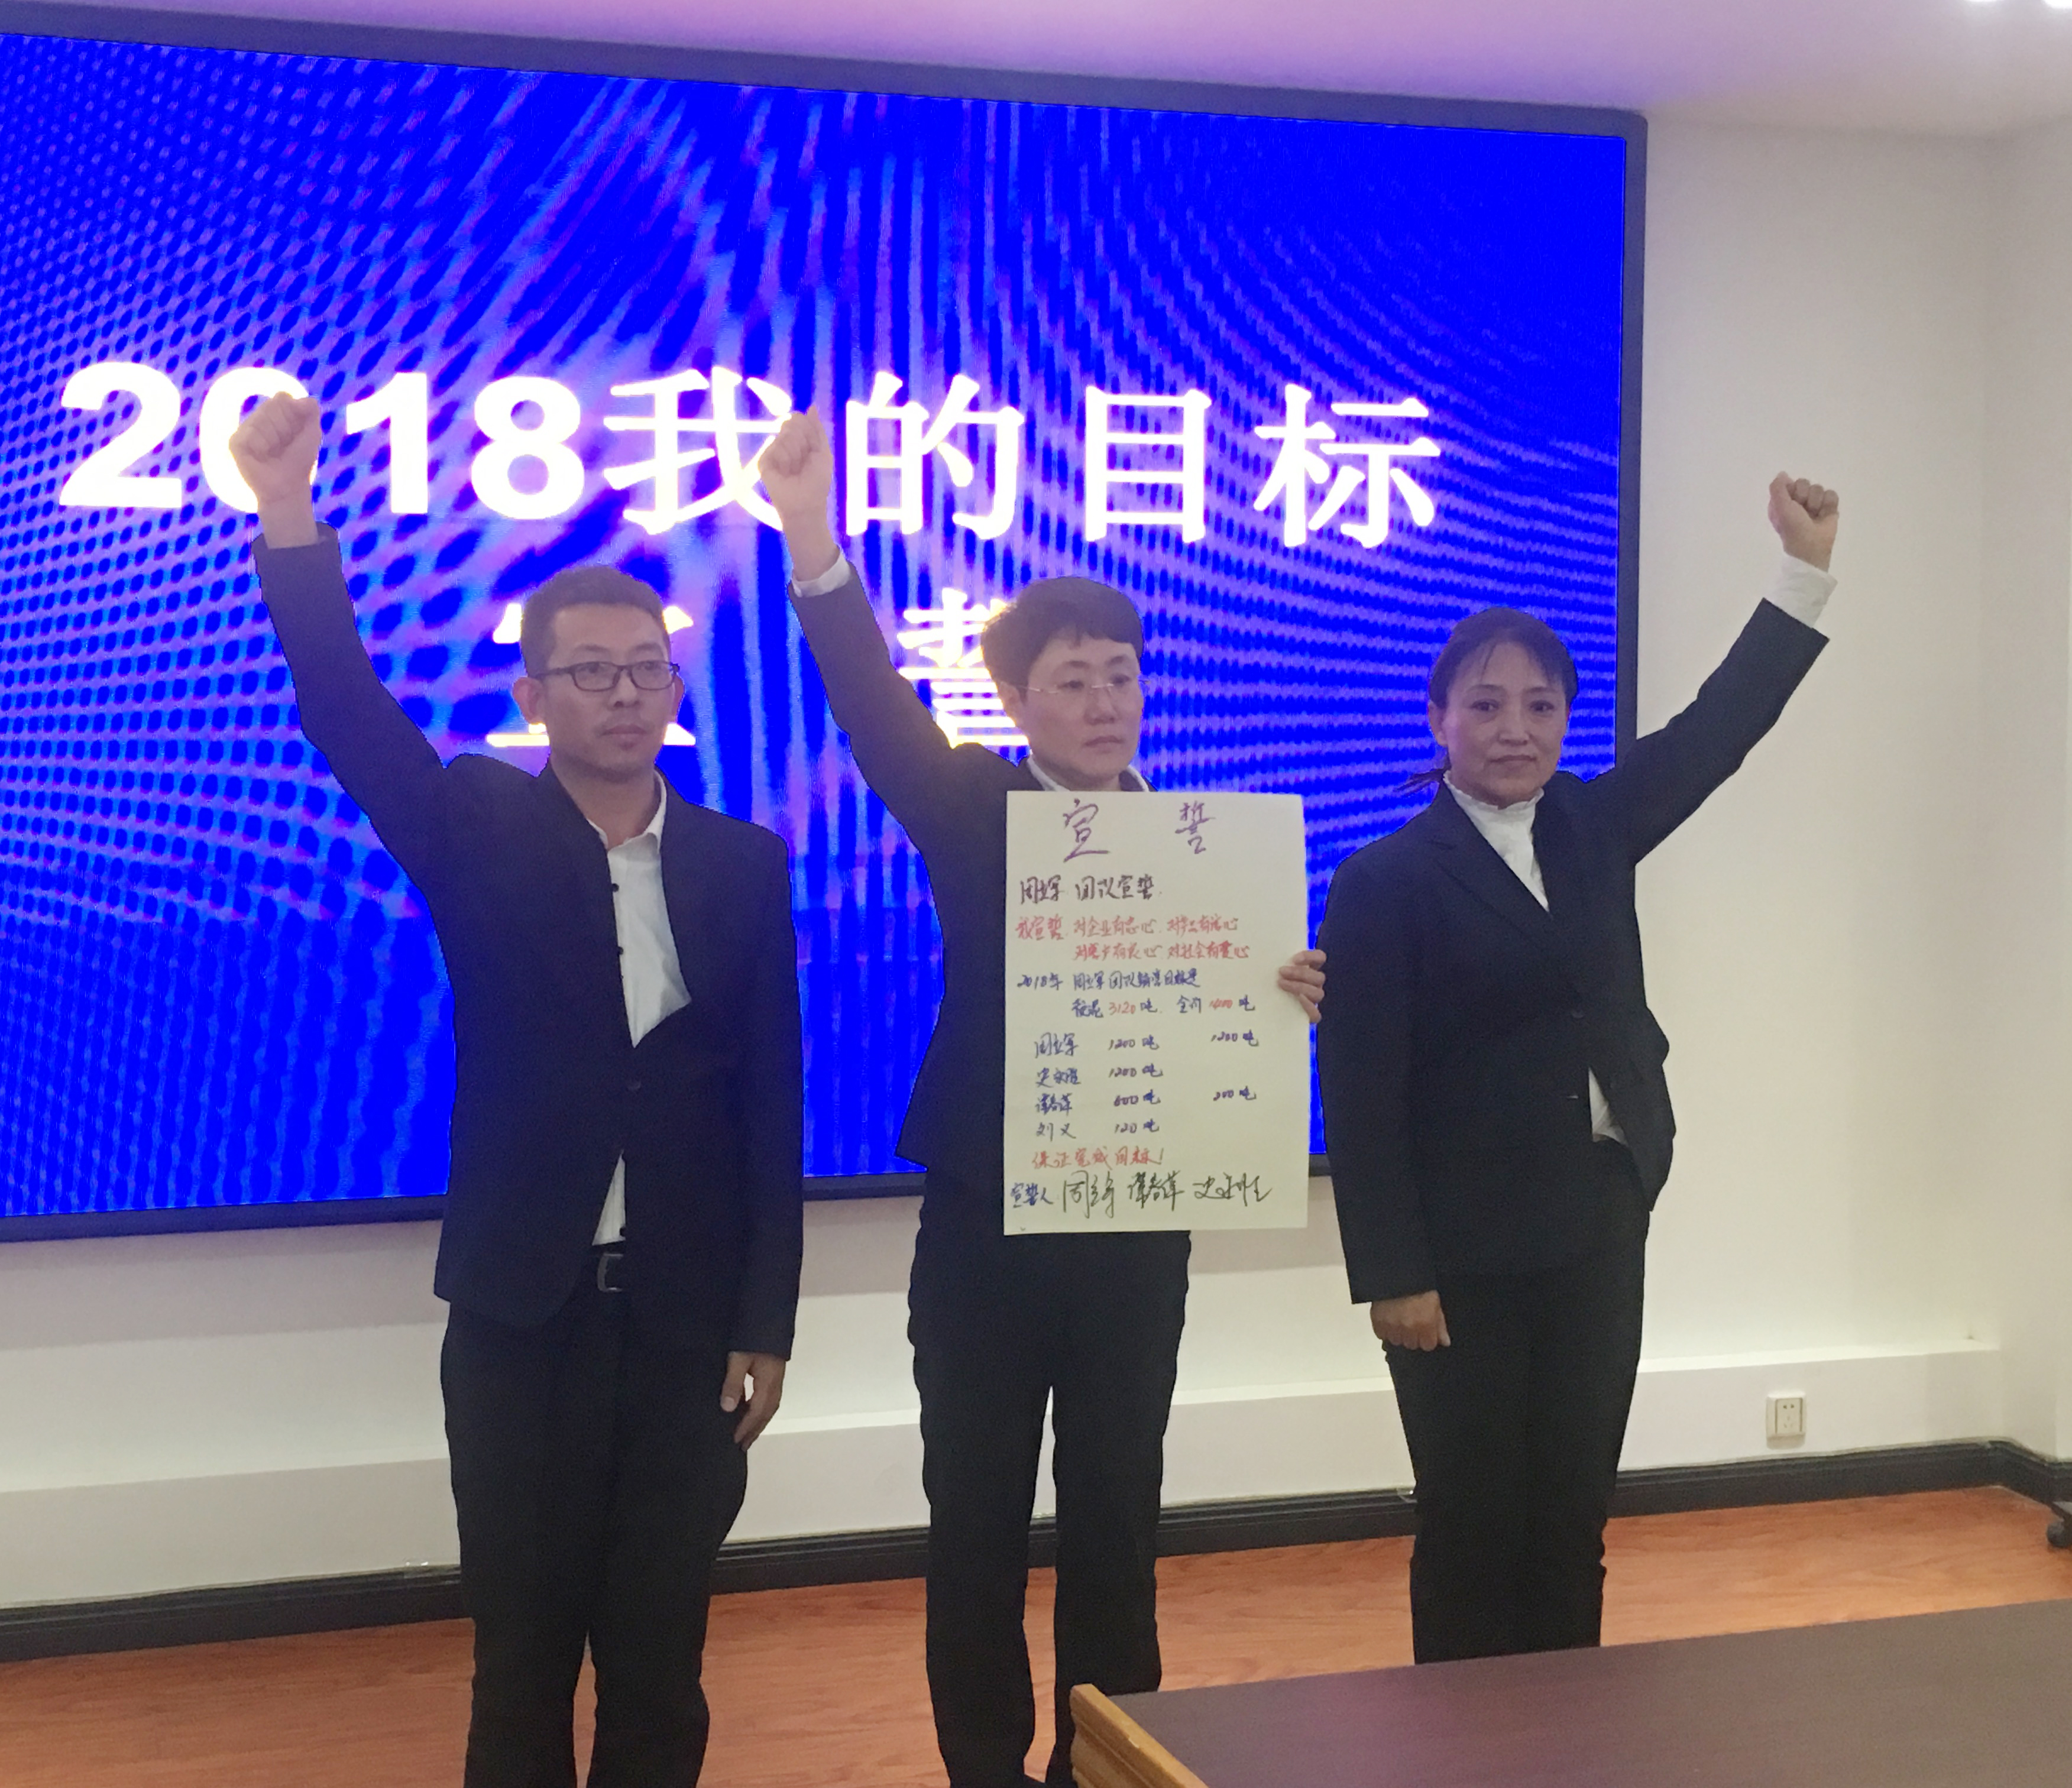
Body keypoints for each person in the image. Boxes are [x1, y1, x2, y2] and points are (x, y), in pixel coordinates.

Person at [230, 393, 804, 1788]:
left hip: (685, 1330)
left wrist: (766, 1323)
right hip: (520, 1318)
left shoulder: (741, 863)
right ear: (535, 695)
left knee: (661, 1662)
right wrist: (288, 513)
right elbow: (347, 712)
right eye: (589, 672)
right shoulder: (479, 824)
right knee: (523, 1661)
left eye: (647, 669)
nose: (625, 693)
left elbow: (771, 1106)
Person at [756, 410, 1325, 1786]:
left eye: (1122, 675)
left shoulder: (1207, 852)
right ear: (1015, 701)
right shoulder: (974, 809)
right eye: (1073, 680)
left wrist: (1288, 986)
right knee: (978, 1525)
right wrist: (814, 538)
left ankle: (1108, 1760)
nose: (1105, 700)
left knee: (1121, 1518)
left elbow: (1227, 1017)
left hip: (1137, 1234)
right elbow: (874, 709)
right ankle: (984, 1767)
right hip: (986, 1233)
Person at [1316, 474, 1841, 1664]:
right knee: (1471, 1522)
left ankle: (1564, 1736)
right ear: (1439, 717)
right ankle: (1464, 1738)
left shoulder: (1594, 829)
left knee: (1570, 1519)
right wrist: (1394, 1275)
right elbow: (1361, 1092)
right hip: (1461, 1255)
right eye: (1487, 704)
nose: (1516, 728)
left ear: (1566, 718)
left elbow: (1720, 728)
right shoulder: (1384, 879)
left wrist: (1801, 571)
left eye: (1541, 705)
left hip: (1599, 1220)